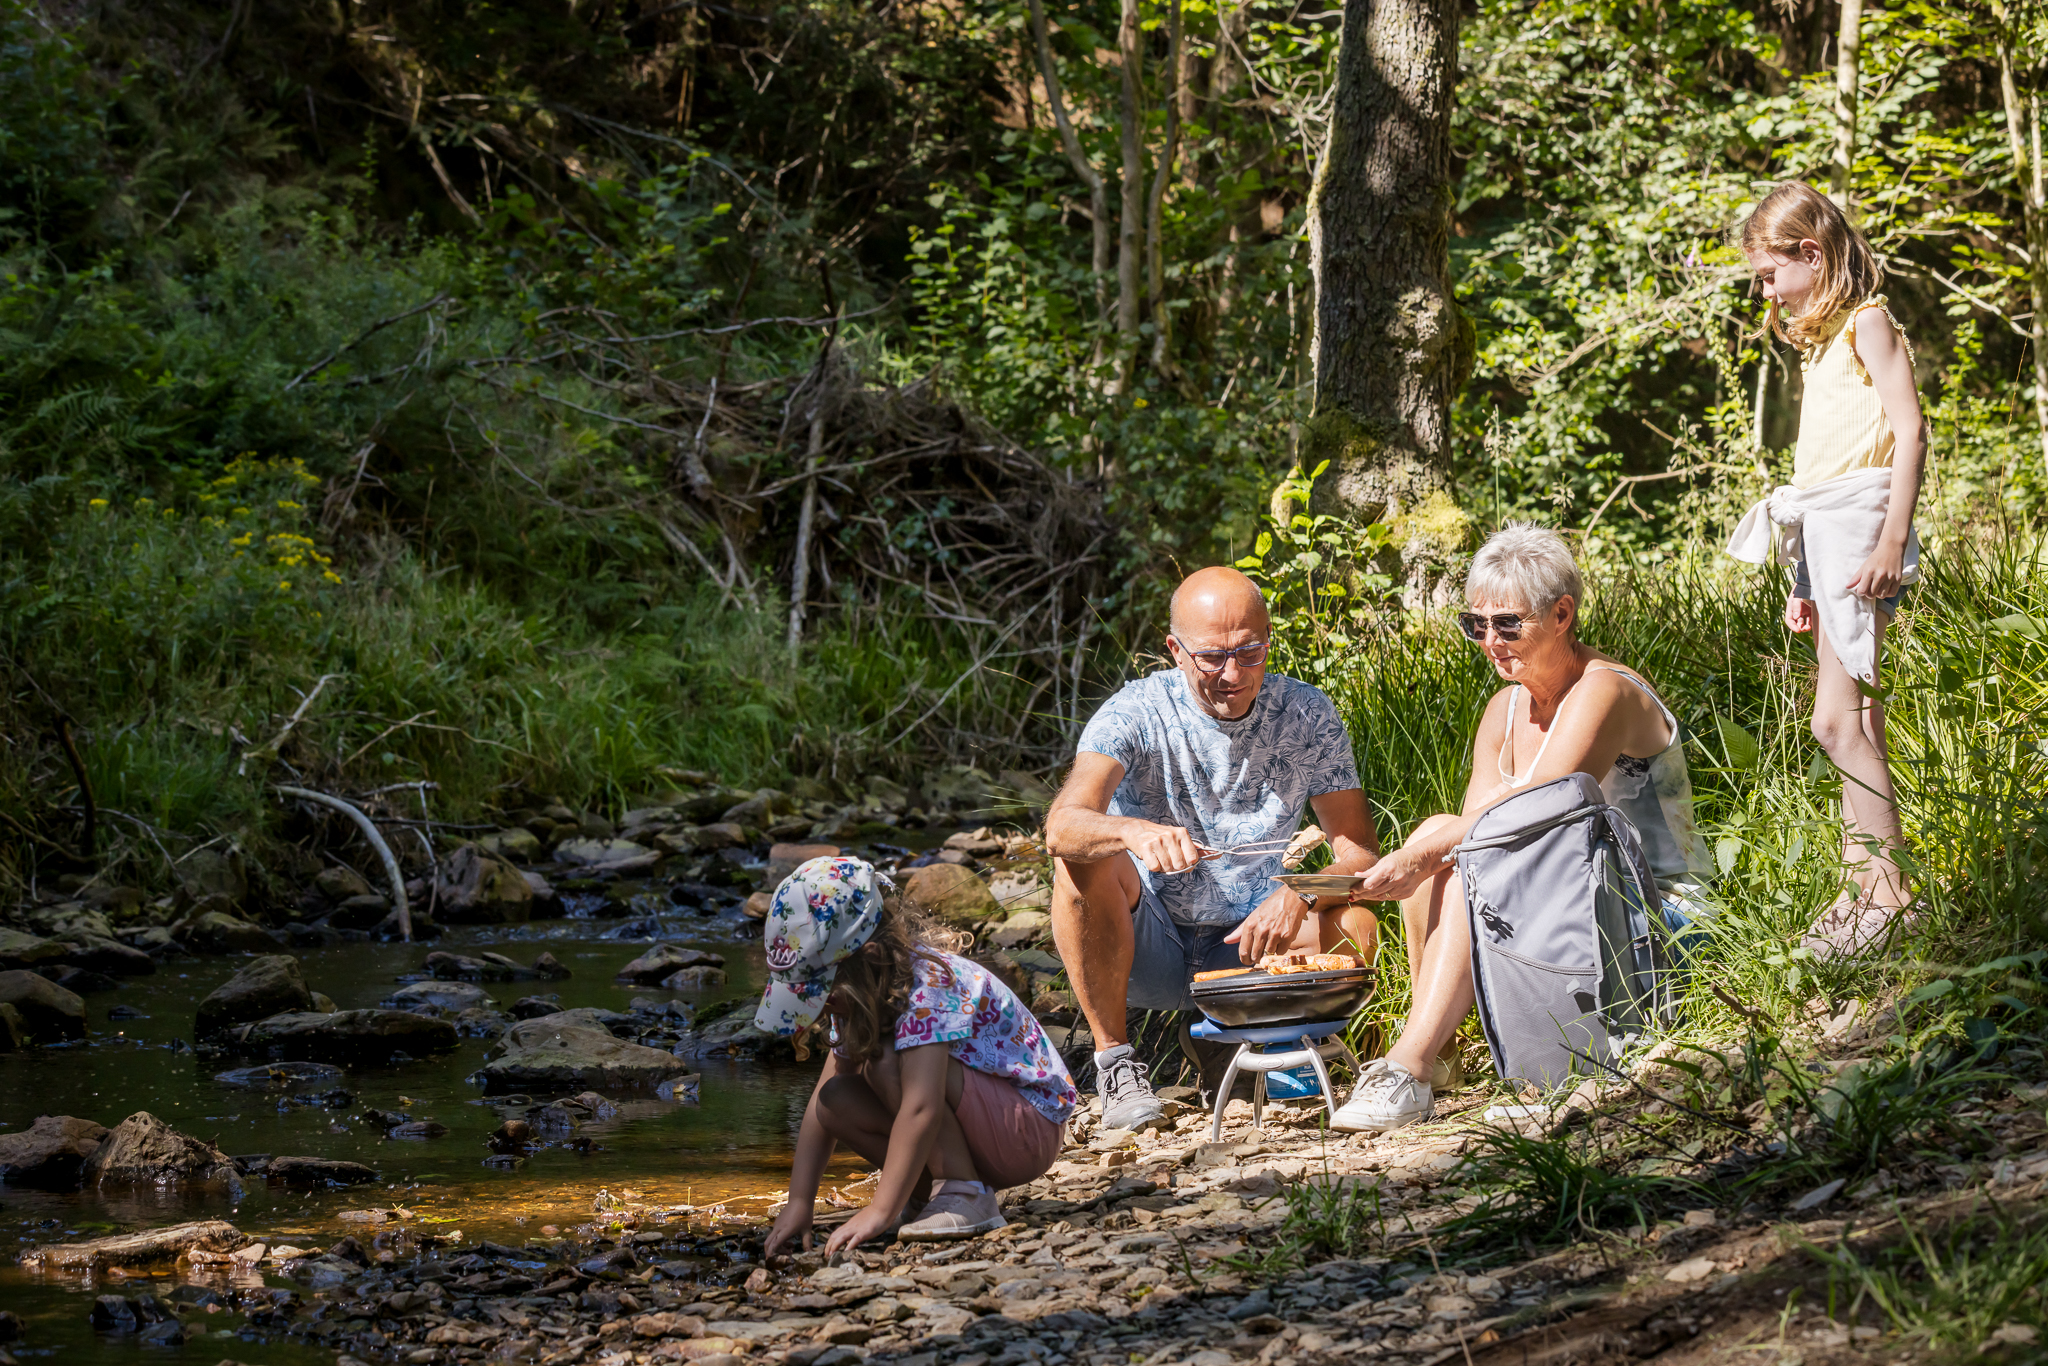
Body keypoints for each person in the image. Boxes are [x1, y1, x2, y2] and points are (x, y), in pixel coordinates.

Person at [1331, 526, 1713, 1134]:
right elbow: (1475, 835)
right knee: (1443, 844)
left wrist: (1423, 850)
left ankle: (1410, 1061)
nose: (1490, 641)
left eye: (1507, 624)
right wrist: (1424, 849)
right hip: (1569, 899)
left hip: (1658, 912)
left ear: (1562, 614)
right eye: (1475, 625)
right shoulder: (1503, 709)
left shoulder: (1603, 690)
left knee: (1445, 852)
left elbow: (1536, 819)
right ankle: (1439, 1049)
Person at [1045, 565, 1383, 1130]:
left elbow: (1363, 856)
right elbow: (1062, 827)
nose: (1232, 674)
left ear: (1269, 642)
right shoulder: (1135, 712)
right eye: (1212, 657)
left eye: (1249, 653)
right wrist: (1133, 833)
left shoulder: (1307, 713)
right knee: (1084, 860)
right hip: (1145, 944)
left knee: (1357, 921)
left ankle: (1281, 1049)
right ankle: (1117, 1064)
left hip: (1253, 946)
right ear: (1175, 650)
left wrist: (1299, 891)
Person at [1726, 180, 1925, 953]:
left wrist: (1888, 543)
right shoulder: (1823, 343)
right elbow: (1816, 480)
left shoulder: (1869, 325)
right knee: (1859, 719)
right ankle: (1858, 885)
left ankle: (1889, 894)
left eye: (1771, 272)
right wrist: (1802, 581)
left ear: (1812, 253)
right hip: (1828, 536)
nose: (1765, 289)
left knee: (1834, 721)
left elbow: (1908, 433)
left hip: (1864, 529)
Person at [758, 856, 1077, 1257]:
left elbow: (922, 1106)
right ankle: (932, 1195)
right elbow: (821, 1106)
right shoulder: (857, 998)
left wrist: (879, 1209)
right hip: (982, 1126)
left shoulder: (929, 984)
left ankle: (964, 1192)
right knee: (835, 1099)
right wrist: (799, 1203)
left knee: (888, 1059)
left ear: (869, 956)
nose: (821, 1007)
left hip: (1026, 1127)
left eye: (823, 991)